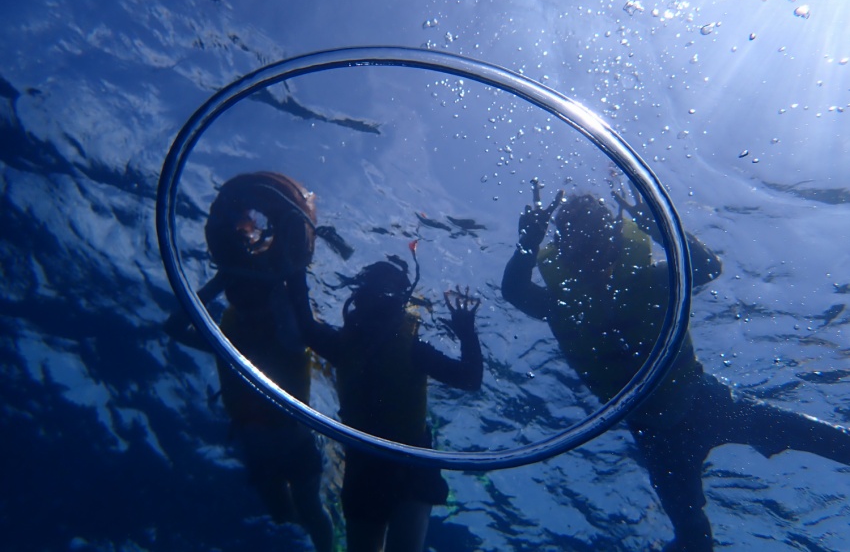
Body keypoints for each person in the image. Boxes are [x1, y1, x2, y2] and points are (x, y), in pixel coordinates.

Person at [501, 179, 850, 552]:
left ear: (616, 241)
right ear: (563, 251)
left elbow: (705, 266)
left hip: (706, 401)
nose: (591, 253)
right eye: (579, 242)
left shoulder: (651, 280)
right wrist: (526, 243)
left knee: (828, 438)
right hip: (655, 436)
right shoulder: (561, 305)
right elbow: (514, 291)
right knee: (691, 535)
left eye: (598, 238)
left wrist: (658, 224)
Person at [165, 171, 334, 552]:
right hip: (254, 440)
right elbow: (174, 327)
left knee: (310, 507)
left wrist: (291, 274)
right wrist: (223, 278)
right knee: (281, 514)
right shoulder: (230, 338)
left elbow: (301, 321)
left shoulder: (286, 327)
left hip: (291, 436)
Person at [294, 246, 483, 552]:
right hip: (369, 469)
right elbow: (305, 328)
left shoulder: (376, 347)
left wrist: (296, 267)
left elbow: (470, 380)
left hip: (406, 466)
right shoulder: (352, 346)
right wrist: (295, 264)